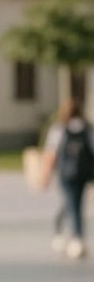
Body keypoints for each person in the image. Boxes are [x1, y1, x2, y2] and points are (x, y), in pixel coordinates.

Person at [41, 98, 94, 259]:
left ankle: (75, 236)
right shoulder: (88, 129)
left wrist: (46, 174)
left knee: (71, 202)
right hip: (84, 173)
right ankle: (69, 233)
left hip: (66, 173)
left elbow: (51, 153)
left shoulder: (59, 129)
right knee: (73, 203)